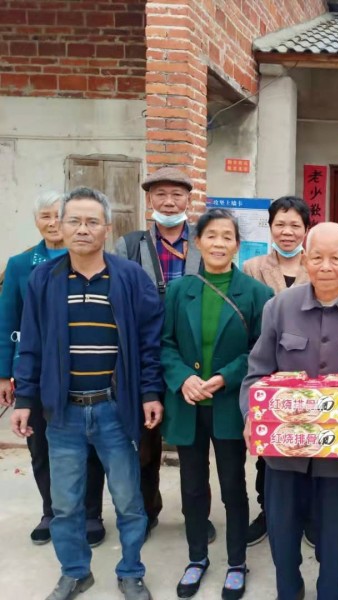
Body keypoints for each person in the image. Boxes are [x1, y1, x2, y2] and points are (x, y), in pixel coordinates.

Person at [11, 187, 164, 600]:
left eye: (92, 221)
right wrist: (24, 399)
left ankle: (131, 570)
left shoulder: (130, 277)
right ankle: (76, 571)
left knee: (130, 502)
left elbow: (150, 341)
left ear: (107, 228)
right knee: (65, 505)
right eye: (74, 221)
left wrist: (150, 392)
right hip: (63, 414)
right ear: (59, 227)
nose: (83, 229)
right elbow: (32, 344)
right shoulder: (44, 278)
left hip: (115, 409)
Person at [239, 222, 338, 600]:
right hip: (283, 452)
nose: (326, 266)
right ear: (305, 260)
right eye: (317, 257)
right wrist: (251, 416)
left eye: (336, 258)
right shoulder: (280, 306)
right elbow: (257, 373)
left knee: (335, 533)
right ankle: (289, 590)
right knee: (283, 532)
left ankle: (330, 590)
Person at [161, 209, 273, 599]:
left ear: (237, 245)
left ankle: (237, 563)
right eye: (211, 236)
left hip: (229, 404)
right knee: (192, 487)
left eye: (227, 236)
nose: (219, 243)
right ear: (197, 243)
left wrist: (226, 376)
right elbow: (165, 344)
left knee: (232, 487)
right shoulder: (178, 291)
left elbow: (262, 349)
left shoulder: (257, 294)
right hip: (189, 403)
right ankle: (196, 558)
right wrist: (182, 379)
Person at [0, 191, 106, 548]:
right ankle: (52, 510)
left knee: (89, 445)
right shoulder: (21, 265)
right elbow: (8, 321)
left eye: (58, 215)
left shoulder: (94, 260)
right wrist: (5, 373)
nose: (53, 222)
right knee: (40, 445)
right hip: (36, 372)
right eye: (46, 216)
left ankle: (91, 512)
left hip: (83, 372)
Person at [114, 166, 214, 543]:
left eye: (176, 194)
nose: (169, 201)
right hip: (142, 357)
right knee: (143, 443)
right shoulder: (130, 244)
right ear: (149, 200)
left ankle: (197, 516)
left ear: (189, 200)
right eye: (160, 194)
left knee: (193, 444)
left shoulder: (202, 242)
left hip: (190, 358)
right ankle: (146, 511)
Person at [242, 195, 310, 547]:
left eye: (295, 225)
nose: (287, 232)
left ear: (305, 230)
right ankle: (267, 512)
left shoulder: (318, 267)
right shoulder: (252, 268)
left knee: (310, 448)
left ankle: (309, 517)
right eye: (280, 224)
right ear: (270, 228)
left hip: (311, 376)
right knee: (269, 454)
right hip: (268, 372)